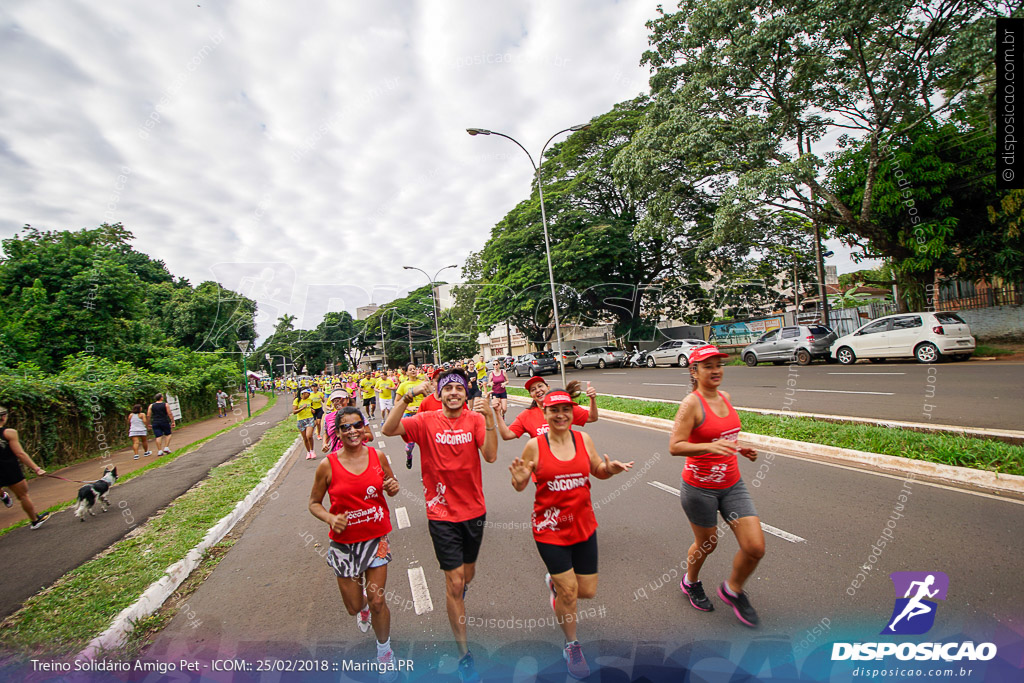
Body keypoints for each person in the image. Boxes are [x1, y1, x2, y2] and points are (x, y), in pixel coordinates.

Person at [381, 368, 497, 683]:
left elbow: (489, 456)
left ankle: (461, 586)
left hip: (474, 511)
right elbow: (389, 429)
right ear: (439, 394)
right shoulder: (425, 420)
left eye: (459, 389)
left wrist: (490, 419)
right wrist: (407, 397)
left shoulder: (474, 420)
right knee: (454, 583)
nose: (454, 393)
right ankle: (464, 655)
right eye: (448, 389)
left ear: (465, 393)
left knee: (467, 575)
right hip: (440, 513)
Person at [509, 389, 633, 679]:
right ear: (545, 413)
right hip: (550, 530)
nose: (561, 415)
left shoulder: (583, 439)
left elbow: (597, 470)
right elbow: (520, 484)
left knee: (587, 591)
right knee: (571, 592)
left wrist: (609, 469)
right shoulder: (535, 446)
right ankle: (572, 645)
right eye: (554, 410)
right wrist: (519, 480)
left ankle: (555, 584)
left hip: (583, 525)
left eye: (566, 409)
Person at [668, 345, 764, 627]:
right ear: (694, 371)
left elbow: (723, 435)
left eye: (718, 365)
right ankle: (690, 582)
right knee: (708, 543)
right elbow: (674, 446)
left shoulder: (726, 397)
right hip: (700, 489)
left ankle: (732, 590)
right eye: (708, 366)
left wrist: (738, 448)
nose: (716, 370)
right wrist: (711, 446)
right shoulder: (691, 404)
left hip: (732, 484)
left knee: (755, 547)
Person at [308, 407, 401, 679]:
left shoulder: (377, 456)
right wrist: (329, 518)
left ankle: (384, 650)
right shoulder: (328, 465)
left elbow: (390, 482)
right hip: (344, 544)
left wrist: (392, 487)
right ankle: (363, 611)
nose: (352, 431)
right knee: (354, 607)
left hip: (375, 539)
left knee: (377, 600)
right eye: (345, 427)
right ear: (337, 433)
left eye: (357, 425)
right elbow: (314, 503)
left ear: (364, 427)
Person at [495, 377, 598, 441]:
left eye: (540, 386)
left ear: (548, 387)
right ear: (531, 395)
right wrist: (497, 413)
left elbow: (592, 417)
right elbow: (507, 435)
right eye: (533, 389)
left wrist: (592, 399)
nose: (538, 390)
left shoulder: (562, 407)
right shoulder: (526, 415)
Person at [0, 406, 50, 528]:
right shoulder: (8, 433)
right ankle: (34, 520)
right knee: (23, 496)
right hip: (10, 468)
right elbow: (20, 454)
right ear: (3, 417)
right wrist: (36, 468)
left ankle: (3, 495)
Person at [293, 387, 317, 460]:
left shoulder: (310, 400)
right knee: (305, 438)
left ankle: (312, 451)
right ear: (303, 393)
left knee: (309, 435)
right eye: (308, 393)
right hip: (301, 420)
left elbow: (312, 407)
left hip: (309, 419)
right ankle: (308, 452)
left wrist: (313, 410)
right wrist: (302, 408)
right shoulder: (297, 400)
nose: (309, 394)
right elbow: (294, 412)